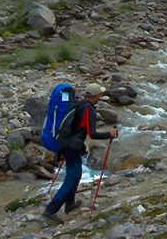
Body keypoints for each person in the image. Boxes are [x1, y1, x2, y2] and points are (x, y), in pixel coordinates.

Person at [44, 83, 117, 225]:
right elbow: (93, 134)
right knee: (72, 177)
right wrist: (110, 134)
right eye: (100, 95)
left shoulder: (79, 103)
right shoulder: (89, 110)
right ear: (95, 96)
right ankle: (50, 210)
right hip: (72, 147)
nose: (100, 97)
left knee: (75, 174)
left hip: (67, 144)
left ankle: (70, 203)